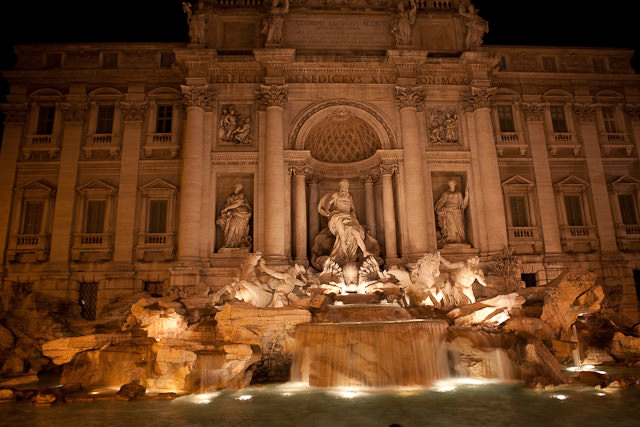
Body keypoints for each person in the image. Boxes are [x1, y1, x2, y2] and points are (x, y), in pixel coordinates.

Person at [317, 179, 372, 265]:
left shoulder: (349, 197)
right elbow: (328, 204)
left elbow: (352, 209)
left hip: (348, 217)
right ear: (340, 186)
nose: (345, 188)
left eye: (346, 186)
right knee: (342, 236)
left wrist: (355, 218)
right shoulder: (336, 195)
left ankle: (364, 251)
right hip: (337, 216)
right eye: (343, 186)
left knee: (356, 233)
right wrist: (327, 211)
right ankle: (345, 256)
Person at [216, 184, 252, 248]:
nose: (239, 188)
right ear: (235, 187)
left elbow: (238, 204)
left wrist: (226, 209)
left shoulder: (241, 195)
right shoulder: (230, 197)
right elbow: (227, 205)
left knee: (240, 230)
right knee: (231, 228)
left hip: (241, 213)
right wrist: (227, 210)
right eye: (238, 187)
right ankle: (228, 243)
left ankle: (238, 243)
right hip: (233, 214)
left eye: (240, 187)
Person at [435, 179, 469, 245]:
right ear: (449, 185)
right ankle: (451, 239)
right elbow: (439, 205)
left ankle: (459, 240)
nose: (452, 185)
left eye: (453, 184)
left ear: (455, 184)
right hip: (449, 212)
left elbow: (462, 205)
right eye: (450, 184)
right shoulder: (446, 194)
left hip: (457, 212)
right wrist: (443, 209)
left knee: (459, 227)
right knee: (451, 226)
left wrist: (467, 196)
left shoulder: (459, 194)